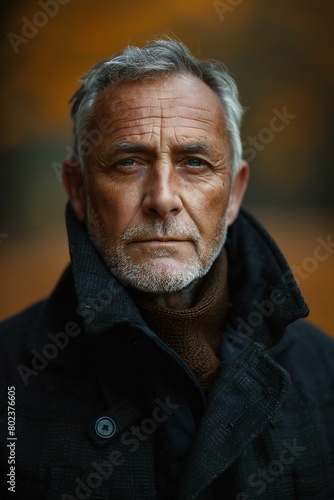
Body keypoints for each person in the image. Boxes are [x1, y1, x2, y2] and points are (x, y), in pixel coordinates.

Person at [0, 39, 333, 500]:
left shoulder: (324, 372)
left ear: (234, 193)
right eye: (129, 162)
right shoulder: (9, 375)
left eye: (194, 163)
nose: (162, 198)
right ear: (77, 190)